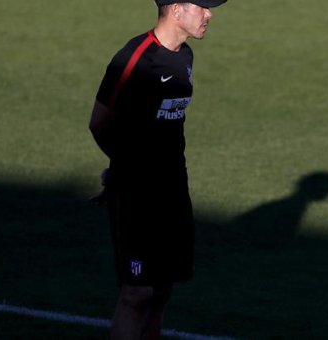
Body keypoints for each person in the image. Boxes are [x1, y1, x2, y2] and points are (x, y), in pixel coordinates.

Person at [88, 0, 226, 339]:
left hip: (174, 189)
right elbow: (99, 123)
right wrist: (123, 169)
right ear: (176, 10)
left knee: (163, 288)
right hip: (137, 195)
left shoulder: (185, 56)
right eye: (203, 7)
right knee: (137, 292)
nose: (210, 14)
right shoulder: (135, 58)